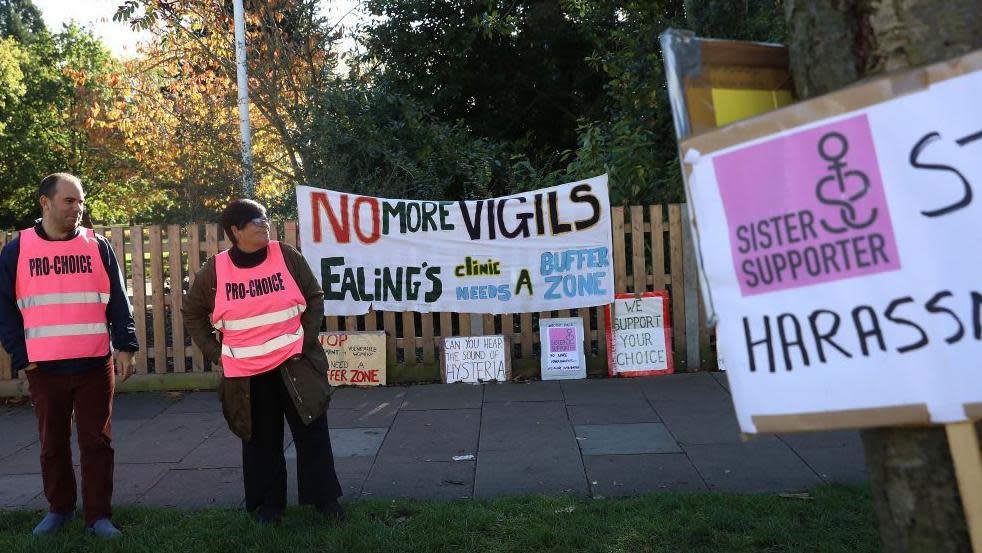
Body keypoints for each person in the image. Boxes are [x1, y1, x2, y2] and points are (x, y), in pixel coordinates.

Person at [182, 199, 343, 524]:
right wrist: (218, 355)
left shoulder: (286, 256)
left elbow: (314, 297)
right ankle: (270, 506)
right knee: (260, 440)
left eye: (266, 217)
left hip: (295, 365)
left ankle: (325, 500)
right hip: (247, 375)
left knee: (312, 431)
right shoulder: (215, 270)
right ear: (236, 231)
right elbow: (192, 313)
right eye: (256, 220)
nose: (265, 223)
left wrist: (303, 340)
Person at [0, 173, 138, 538]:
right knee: (52, 443)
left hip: (94, 363)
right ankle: (59, 509)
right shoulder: (18, 250)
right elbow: (4, 308)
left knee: (97, 443)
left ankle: (98, 517)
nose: (78, 208)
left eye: (81, 201)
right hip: (44, 368)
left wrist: (126, 346)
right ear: (45, 202)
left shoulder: (98, 246)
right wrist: (21, 355)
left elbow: (119, 301)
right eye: (69, 201)